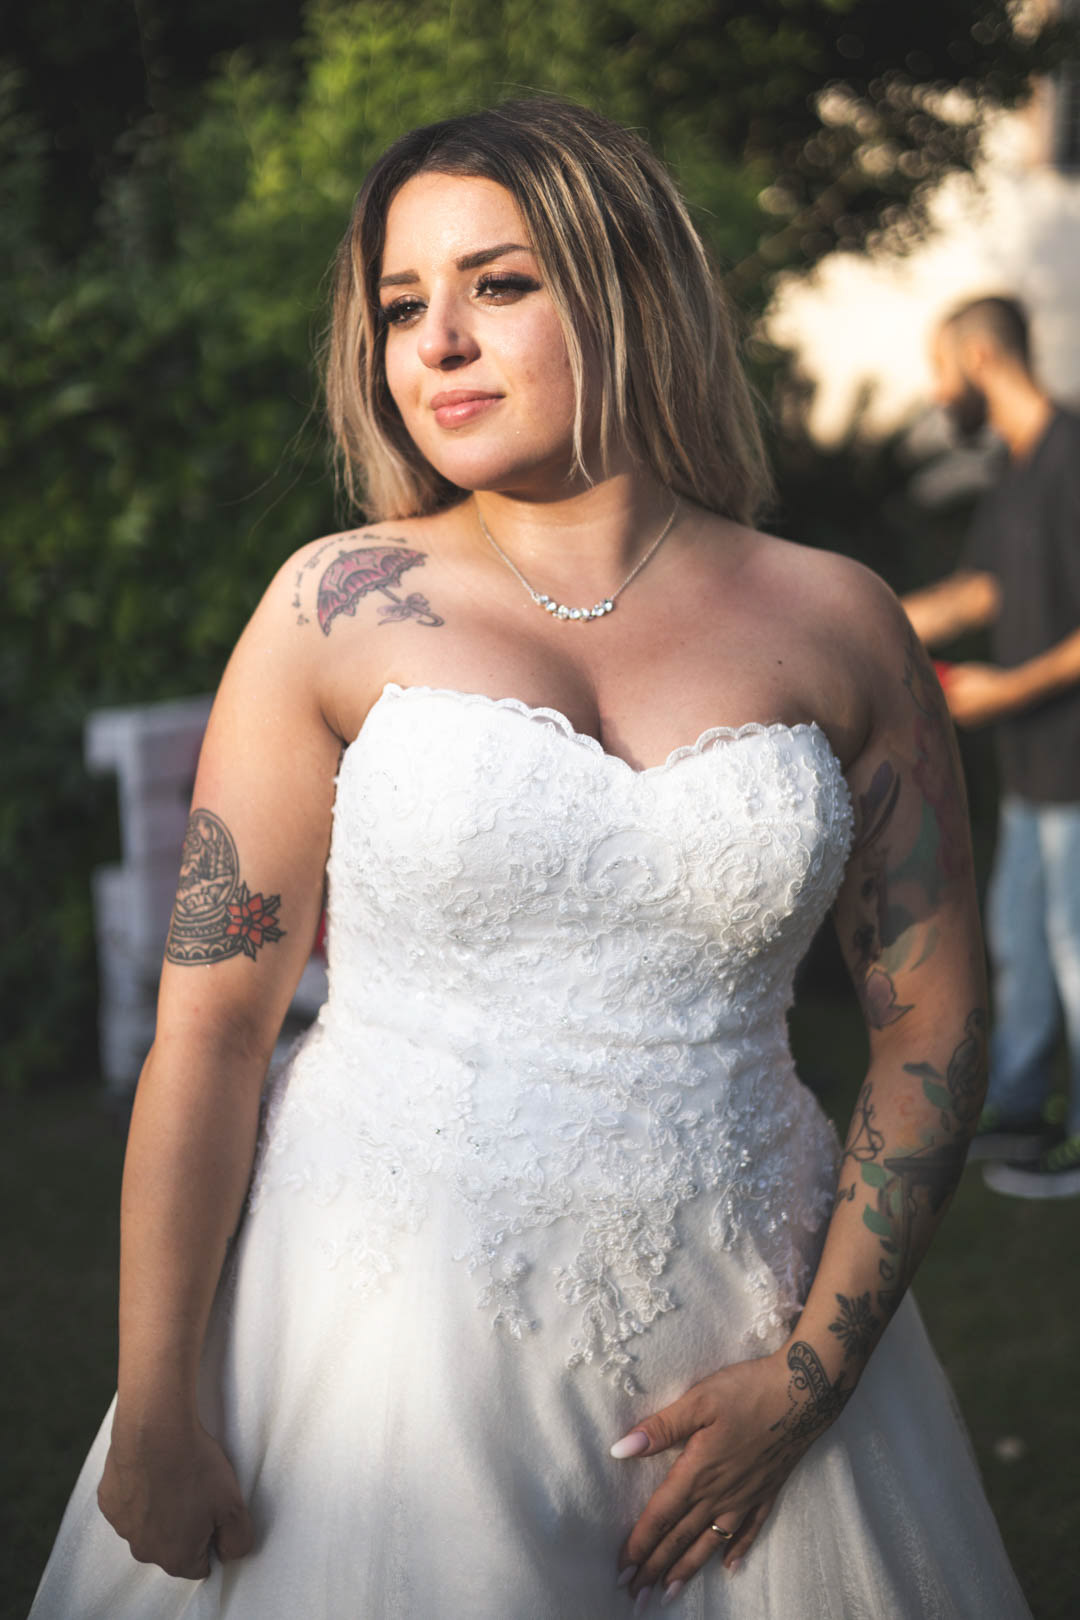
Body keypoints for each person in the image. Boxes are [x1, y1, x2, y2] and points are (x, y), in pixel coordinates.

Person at [29, 99, 1030, 1619]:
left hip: (750, 1326)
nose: (436, 344)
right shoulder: (331, 607)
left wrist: (811, 1377)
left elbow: (932, 1025)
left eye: (497, 285)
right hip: (375, 1345)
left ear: (629, 290)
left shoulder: (839, 623)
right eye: (399, 306)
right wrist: (158, 1398)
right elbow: (215, 1025)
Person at [903, 295, 1080, 1200]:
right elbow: (981, 592)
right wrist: (857, 624)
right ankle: (1020, 1105)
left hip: (1075, 766)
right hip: (1033, 770)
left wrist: (1007, 688)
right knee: (1022, 944)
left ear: (978, 358)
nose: (938, 392)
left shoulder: (1073, 456)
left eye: (940, 369)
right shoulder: (1018, 465)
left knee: (1076, 955)